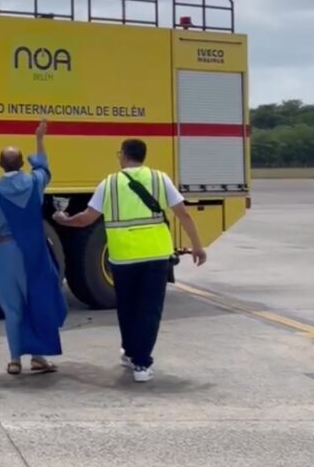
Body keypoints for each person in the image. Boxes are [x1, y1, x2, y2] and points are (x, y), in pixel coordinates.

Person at [52, 138, 207, 383]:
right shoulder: (160, 179)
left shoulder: (109, 183)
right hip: (156, 255)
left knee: (128, 307)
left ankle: (132, 352)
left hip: (123, 258)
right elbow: (183, 213)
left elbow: (86, 218)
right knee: (150, 309)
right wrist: (197, 246)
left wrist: (64, 220)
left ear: (123, 155)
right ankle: (142, 364)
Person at [0, 117, 68, 375]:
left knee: (12, 306)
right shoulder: (34, 182)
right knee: (37, 299)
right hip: (36, 251)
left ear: (0, 165)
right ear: (21, 163)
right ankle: (38, 357)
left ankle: (15, 359)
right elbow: (44, 168)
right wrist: (39, 139)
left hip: (7, 251)